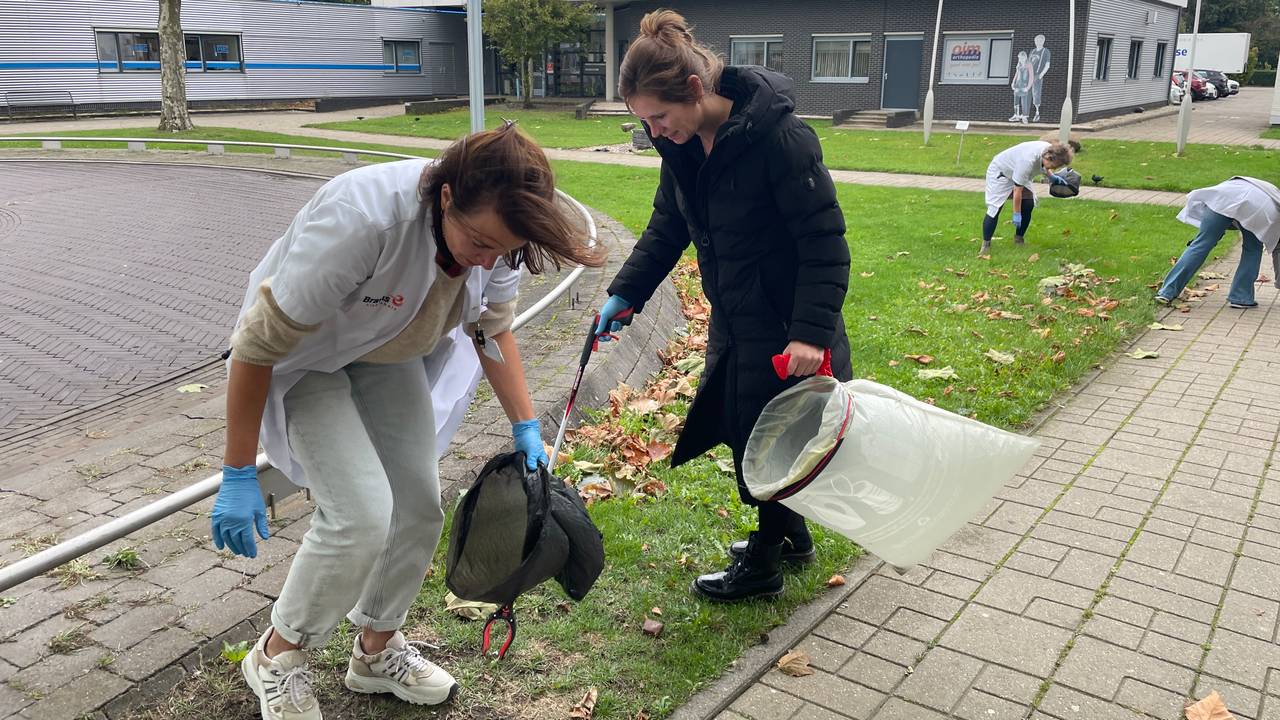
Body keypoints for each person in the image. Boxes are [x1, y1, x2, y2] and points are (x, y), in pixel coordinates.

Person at [212, 124, 603, 719]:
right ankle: (275, 655)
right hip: (306, 360)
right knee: (361, 514)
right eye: (479, 243)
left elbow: (492, 329)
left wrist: (527, 427)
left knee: (418, 504)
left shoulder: (500, 238)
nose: (488, 260)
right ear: (446, 198)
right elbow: (256, 347)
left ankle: (375, 649)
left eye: (502, 250)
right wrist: (237, 472)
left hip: (389, 354)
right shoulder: (362, 220)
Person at [595, 10, 853, 603]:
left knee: (772, 436)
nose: (655, 131)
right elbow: (668, 225)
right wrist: (626, 293)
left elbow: (824, 241)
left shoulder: (781, 140)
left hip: (789, 328)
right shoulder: (681, 149)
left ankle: (764, 562)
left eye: (659, 117)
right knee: (743, 430)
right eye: (644, 122)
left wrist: (811, 333)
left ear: (694, 90)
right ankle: (791, 539)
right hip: (737, 317)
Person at [1155, 176, 1280, 309]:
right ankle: (1241, 297)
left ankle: (1167, 292)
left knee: (1201, 243)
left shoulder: (1267, 189)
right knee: (1253, 249)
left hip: (1224, 197)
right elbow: (1278, 250)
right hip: (1258, 208)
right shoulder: (1276, 206)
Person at [980, 139, 1078, 256]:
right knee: (995, 208)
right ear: (1048, 157)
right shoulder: (1026, 161)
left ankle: (1019, 239)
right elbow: (1017, 191)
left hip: (1018, 172)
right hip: (1001, 173)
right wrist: (1016, 214)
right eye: (1054, 166)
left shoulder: (1050, 150)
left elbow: (1044, 165)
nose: (1054, 168)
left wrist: (1052, 177)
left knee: (1028, 203)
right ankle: (985, 246)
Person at [1028, 34, 1051, 122]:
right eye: (1036, 40)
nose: (1037, 42)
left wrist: (1041, 75)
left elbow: (1047, 65)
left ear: (1043, 41)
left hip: (1037, 75)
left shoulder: (1046, 51)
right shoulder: (1032, 51)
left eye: (1039, 40)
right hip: (1030, 74)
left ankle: (1037, 113)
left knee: (1036, 93)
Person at [1009, 51, 1033, 123]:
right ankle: (1016, 115)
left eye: (1022, 58)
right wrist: (1013, 82)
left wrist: (1028, 87)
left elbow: (1031, 77)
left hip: (1024, 85)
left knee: (1024, 101)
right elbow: (1017, 74)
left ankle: (1024, 117)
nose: (1020, 59)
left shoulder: (1029, 65)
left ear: (1025, 57)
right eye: (1019, 58)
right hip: (1017, 85)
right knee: (1016, 100)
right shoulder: (1019, 65)